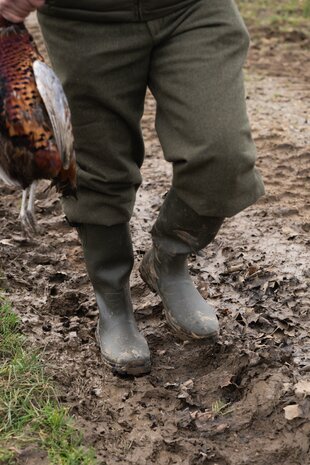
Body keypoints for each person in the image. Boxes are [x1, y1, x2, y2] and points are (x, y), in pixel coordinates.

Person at [0, 0, 265, 376]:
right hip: (86, 19)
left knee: (223, 157)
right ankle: (112, 298)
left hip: (190, 9)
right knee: (97, 168)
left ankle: (167, 261)